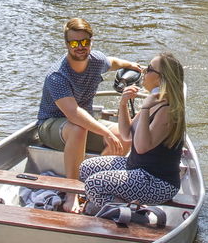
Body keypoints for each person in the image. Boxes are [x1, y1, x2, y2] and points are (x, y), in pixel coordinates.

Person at [37, 18, 142, 187]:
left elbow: (112, 62)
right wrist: (105, 133)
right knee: (78, 128)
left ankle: (94, 182)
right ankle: (72, 190)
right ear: (66, 44)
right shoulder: (57, 76)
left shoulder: (96, 61)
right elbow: (74, 114)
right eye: (74, 43)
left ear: (91, 41)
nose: (80, 46)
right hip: (50, 126)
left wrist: (131, 65)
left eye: (85, 42)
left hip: (83, 125)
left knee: (125, 135)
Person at [79, 53, 186, 215]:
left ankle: (134, 215)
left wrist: (145, 108)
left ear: (161, 78)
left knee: (94, 184)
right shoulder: (154, 100)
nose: (143, 72)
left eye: (149, 69)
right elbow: (127, 135)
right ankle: (120, 206)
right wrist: (123, 104)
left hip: (157, 181)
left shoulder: (166, 110)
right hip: (135, 167)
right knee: (86, 168)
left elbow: (142, 147)